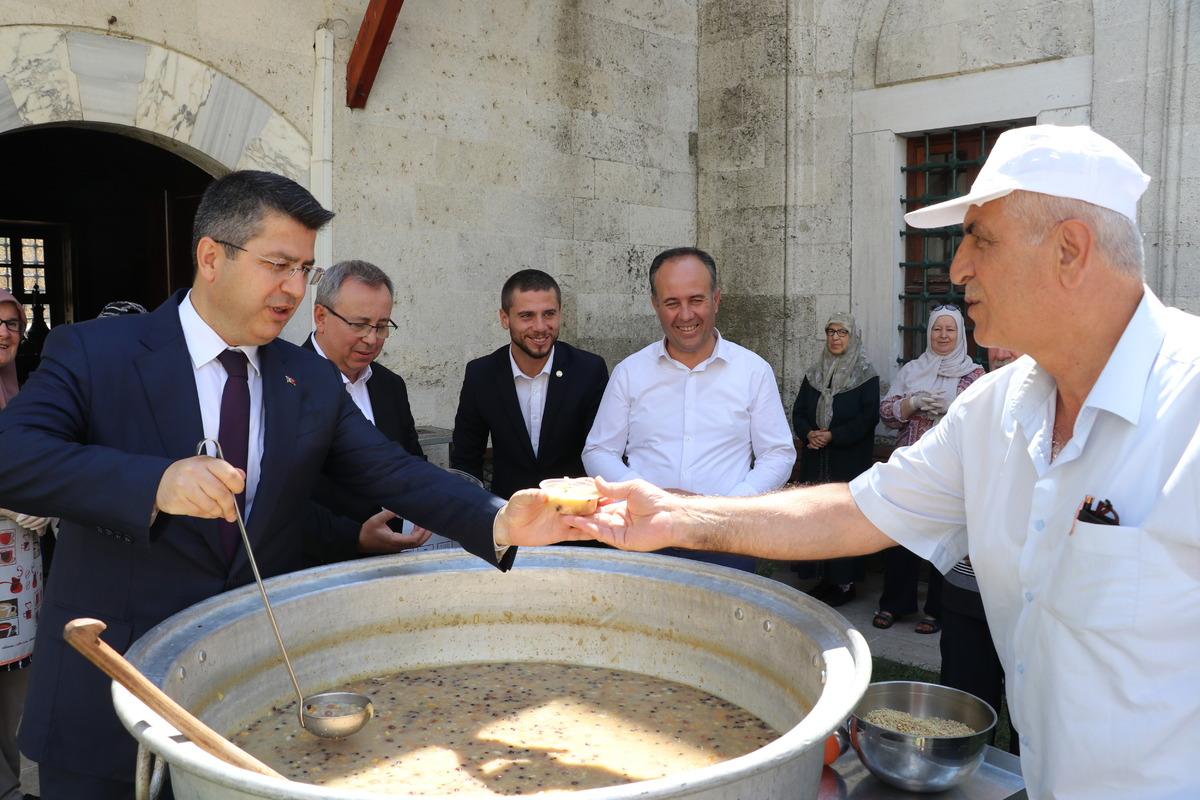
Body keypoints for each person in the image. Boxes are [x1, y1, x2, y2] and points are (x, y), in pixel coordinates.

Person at [570, 125, 1200, 800]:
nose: (957, 269)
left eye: (980, 240)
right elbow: (853, 512)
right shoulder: (995, 410)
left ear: (1070, 250)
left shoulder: (1186, 407)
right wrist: (674, 516)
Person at [0, 170, 571, 798]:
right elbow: (12, 456)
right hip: (108, 696)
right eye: (278, 265)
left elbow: (393, 469)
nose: (295, 289)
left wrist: (499, 517)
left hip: (247, 704)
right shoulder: (96, 351)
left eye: (304, 269)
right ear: (211, 257)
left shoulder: (307, 379)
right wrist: (155, 483)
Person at [582, 247, 795, 571]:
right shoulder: (630, 372)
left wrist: (727, 507)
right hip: (642, 535)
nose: (685, 315)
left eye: (696, 300)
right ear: (655, 304)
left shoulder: (753, 371)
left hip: (727, 537)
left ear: (716, 299)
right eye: (672, 303)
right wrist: (644, 495)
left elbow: (778, 454)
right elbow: (598, 450)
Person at [303, 259, 432, 561]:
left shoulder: (391, 385)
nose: (372, 339)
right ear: (321, 317)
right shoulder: (285, 382)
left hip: (393, 561)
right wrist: (356, 538)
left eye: (382, 326)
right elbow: (278, 502)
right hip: (316, 567)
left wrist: (429, 506)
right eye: (359, 324)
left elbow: (411, 461)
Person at [873, 304, 983, 634]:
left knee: (944, 539)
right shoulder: (912, 370)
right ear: (929, 332)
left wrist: (953, 410)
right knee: (901, 535)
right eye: (937, 328)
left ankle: (937, 610)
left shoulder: (975, 375)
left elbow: (982, 421)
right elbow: (887, 414)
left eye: (950, 329)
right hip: (910, 467)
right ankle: (895, 603)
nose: (943, 335)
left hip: (950, 472)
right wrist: (913, 403)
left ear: (960, 334)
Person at [451, 270, 608, 500]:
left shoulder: (589, 370)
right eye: (527, 316)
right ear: (504, 318)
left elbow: (603, 451)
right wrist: (477, 512)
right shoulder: (481, 374)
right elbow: (466, 458)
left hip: (575, 513)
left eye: (549, 314)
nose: (540, 327)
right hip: (508, 513)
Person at [938, 345, 1026, 754]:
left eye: (1016, 334)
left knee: (1037, 737)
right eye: (997, 338)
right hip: (967, 592)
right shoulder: (971, 407)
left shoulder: (1071, 413)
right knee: (963, 724)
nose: (1002, 350)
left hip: (1033, 607)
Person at [0, 290, 53, 800]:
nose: (4, 333)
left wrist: (47, 501)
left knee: (13, 686)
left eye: (12, 324)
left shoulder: (27, 396)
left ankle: (9, 786)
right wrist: (8, 503)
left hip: (18, 568)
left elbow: (49, 459)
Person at [791, 313, 879, 606]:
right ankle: (824, 578)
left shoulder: (865, 375)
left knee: (843, 522)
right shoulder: (815, 373)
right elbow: (799, 411)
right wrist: (809, 433)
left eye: (842, 332)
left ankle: (844, 584)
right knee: (818, 519)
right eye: (831, 332)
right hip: (817, 461)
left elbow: (868, 418)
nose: (836, 337)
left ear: (853, 337)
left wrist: (833, 435)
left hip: (848, 463)